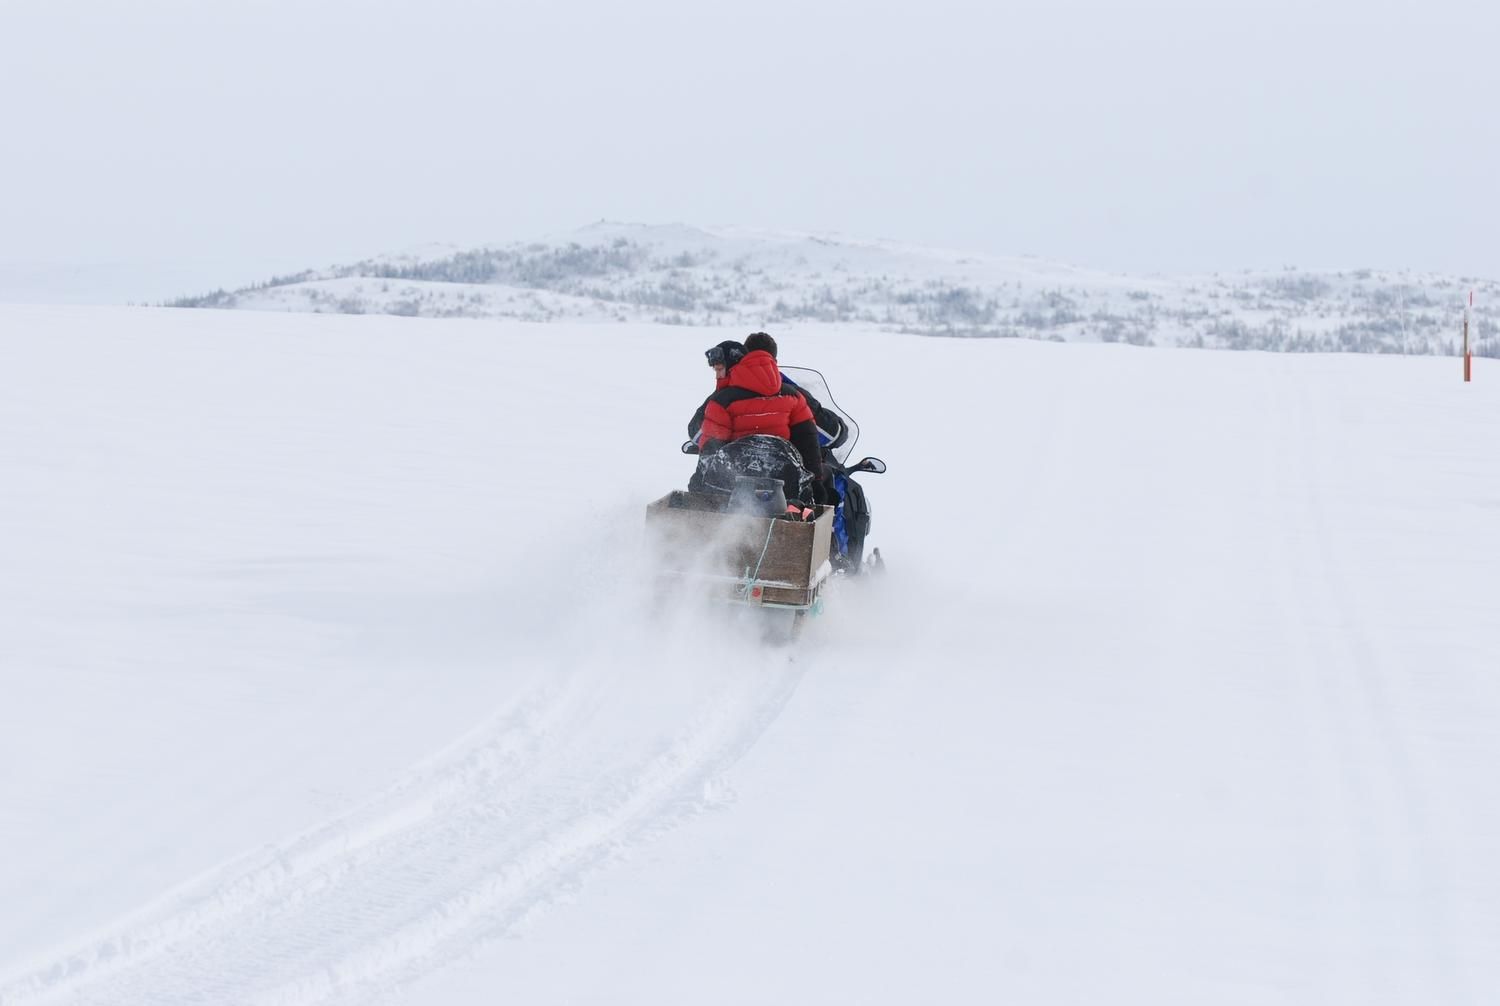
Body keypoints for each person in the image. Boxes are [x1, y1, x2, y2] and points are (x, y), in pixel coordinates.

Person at [687, 340, 823, 504]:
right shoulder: (793, 396)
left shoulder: (722, 401)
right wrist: (816, 483)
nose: (717, 376)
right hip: (786, 491)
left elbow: (710, 450)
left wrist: (697, 486)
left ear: (732, 366)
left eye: (719, 369)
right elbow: (808, 443)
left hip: (733, 490)